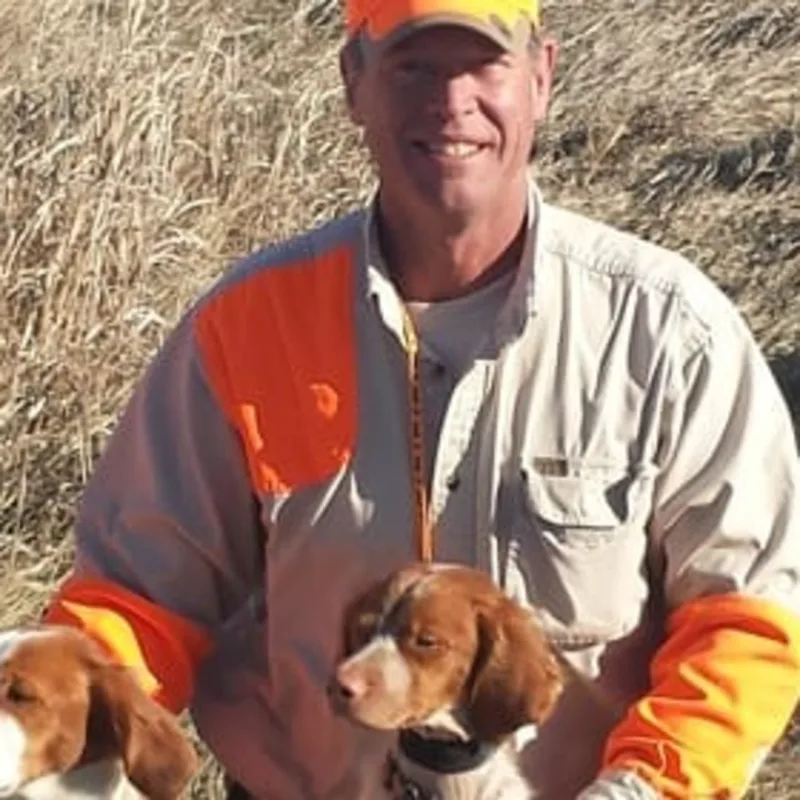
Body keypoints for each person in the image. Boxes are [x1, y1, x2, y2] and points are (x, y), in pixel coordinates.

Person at [43, 0, 800, 798]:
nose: (451, 100)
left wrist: (643, 789)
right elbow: (133, 598)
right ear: (354, 84)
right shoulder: (249, 327)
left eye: (484, 64)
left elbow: (749, 619)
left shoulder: (669, 334)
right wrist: (52, 753)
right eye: (413, 66)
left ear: (541, 77)